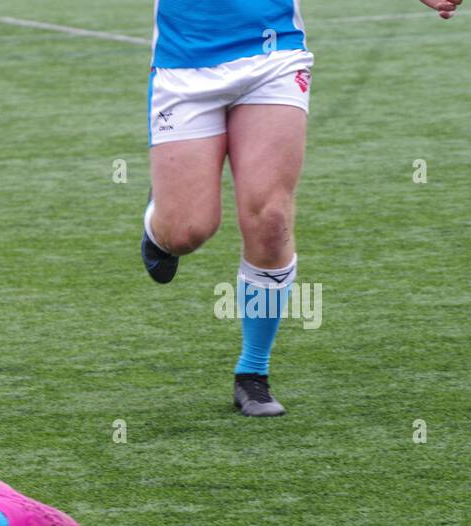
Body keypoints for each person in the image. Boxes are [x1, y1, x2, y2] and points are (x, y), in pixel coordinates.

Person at [138, 0, 461, 416]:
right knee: (186, 231)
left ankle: (252, 373)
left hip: (275, 57)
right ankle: (158, 221)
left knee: (270, 219)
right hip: (183, 66)